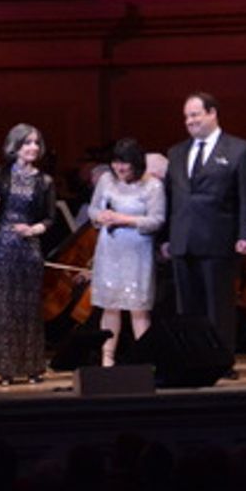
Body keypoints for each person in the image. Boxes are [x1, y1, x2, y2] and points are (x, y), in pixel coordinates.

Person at [163, 92, 246, 372]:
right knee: (187, 307)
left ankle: (220, 361)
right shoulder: (177, 152)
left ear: (212, 113)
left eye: (195, 114)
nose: (190, 121)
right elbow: (172, 197)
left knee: (218, 306)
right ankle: (191, 359)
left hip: (218, 239)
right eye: (186, 117)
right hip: (183, 240)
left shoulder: (239, 150)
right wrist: (167, 237)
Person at [0, 124, 56, 385]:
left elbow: (51, 218)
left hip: (29, 250)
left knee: (29, 311)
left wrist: (33, 228)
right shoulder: (0, 176)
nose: (32, 147)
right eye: (26, 143)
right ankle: (6, 369)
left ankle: (33, 367)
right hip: (0, 250)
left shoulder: (45, 182)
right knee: (3, 311)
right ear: (15, 146)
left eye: (35, 142)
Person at [89, 138, 164, 366]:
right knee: (110, 306)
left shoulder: (152, 185)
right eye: (116, 162)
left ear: (136, 163)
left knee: (138, 308)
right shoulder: (106, 180)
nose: (119, 168)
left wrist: (125, 219)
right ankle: (107, 359)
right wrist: (99, 216)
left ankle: (145, 360)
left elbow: (156, 220)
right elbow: (93, 208)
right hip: (110, 249)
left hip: (137, 250)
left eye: (125, 163)